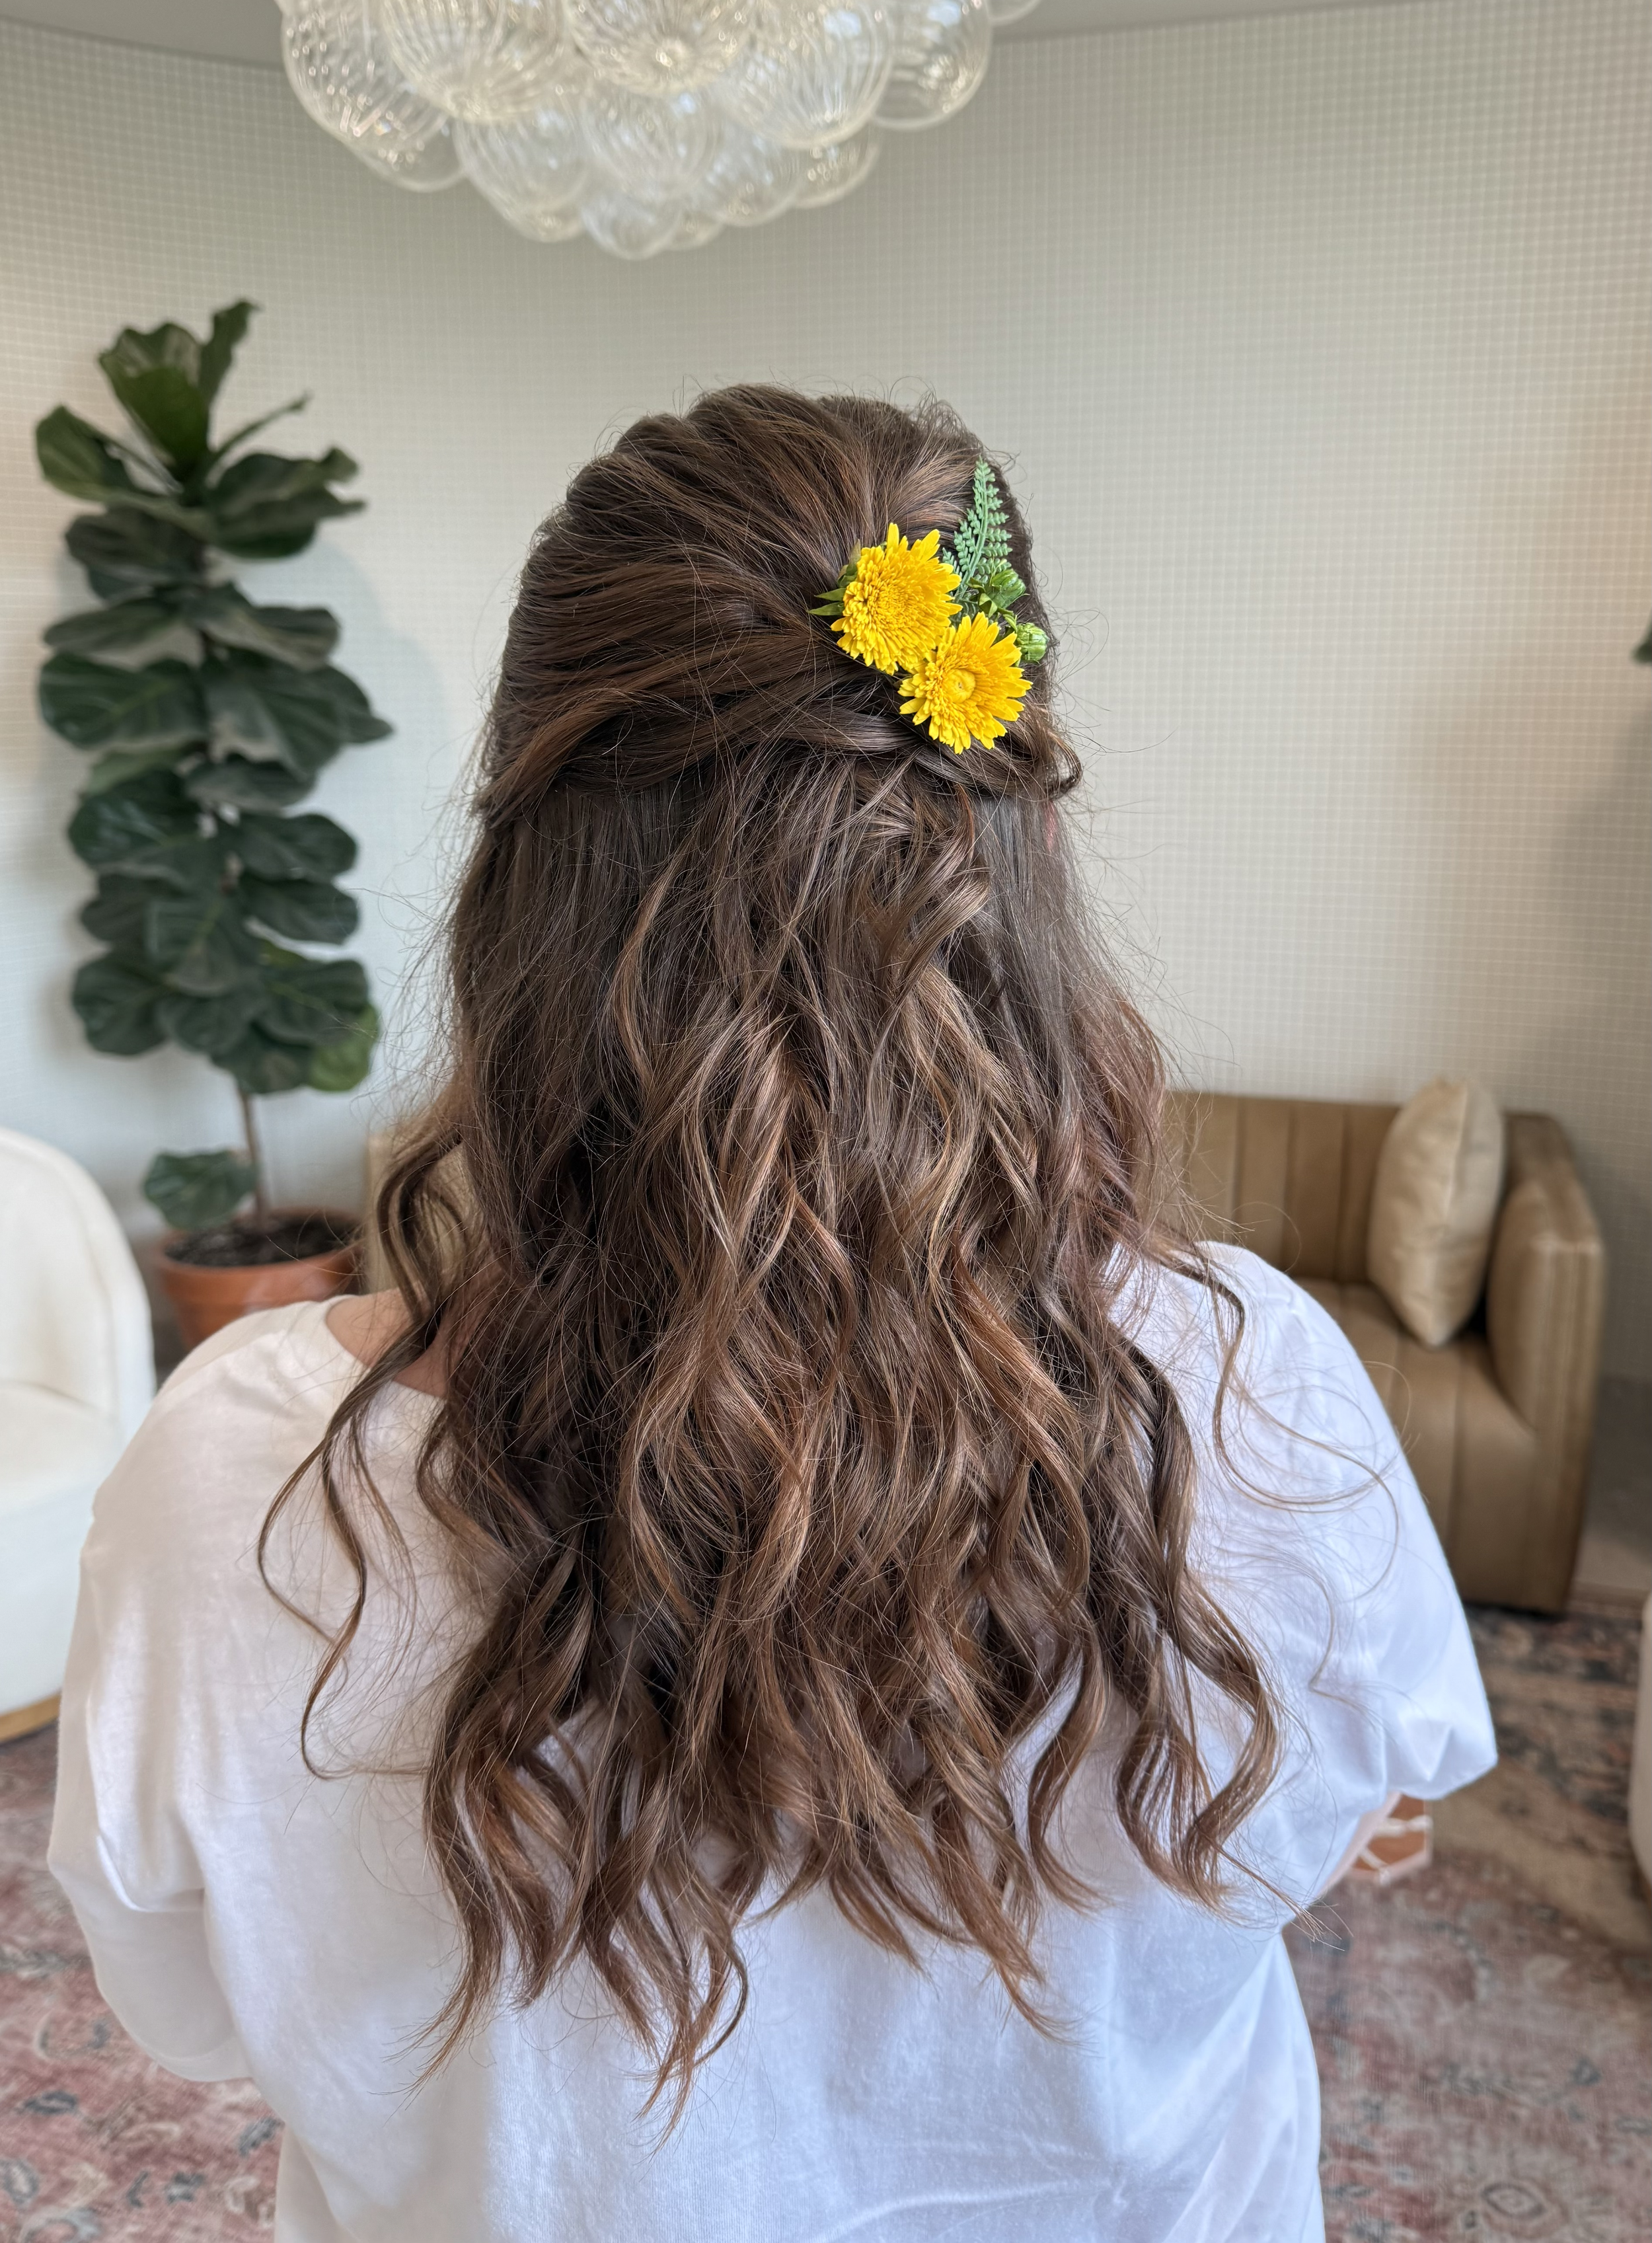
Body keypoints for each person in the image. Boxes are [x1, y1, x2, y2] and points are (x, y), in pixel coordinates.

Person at [49, 388, 1494, 2242]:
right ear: (1013, 846)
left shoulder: (243, 1485)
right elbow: (1335, 1824)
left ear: (522, 877)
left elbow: (183, 2013)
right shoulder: (1252, 1387)